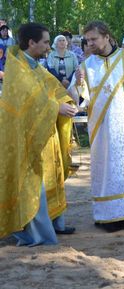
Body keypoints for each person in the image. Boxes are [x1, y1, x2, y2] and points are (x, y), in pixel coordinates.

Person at [69, 21, 124, 232]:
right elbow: (81, 101)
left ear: (107, 36)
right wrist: (79, 84)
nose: (89, 43)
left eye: (93, 39)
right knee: (108, 171)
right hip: (104, 132)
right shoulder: (85, 67)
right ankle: (111, 216)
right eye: (87, 40)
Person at [0, 22, 77, 246]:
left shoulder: (34, 64)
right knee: (34, 183)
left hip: (43, 132)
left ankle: (53, 222)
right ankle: (36, 232)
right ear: (31, 42)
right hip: (26, 138)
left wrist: (66, 99)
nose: (48, 47)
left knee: (48, 177)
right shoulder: (17, 67)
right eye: (45, 42)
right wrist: (56, 107)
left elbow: (52, 88)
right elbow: (29, 99)